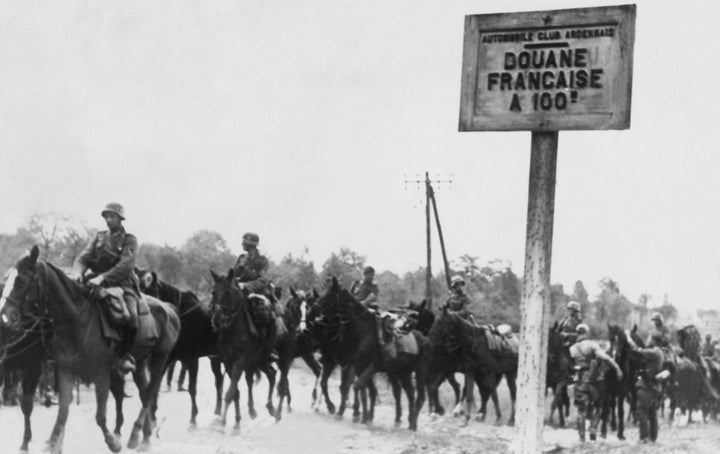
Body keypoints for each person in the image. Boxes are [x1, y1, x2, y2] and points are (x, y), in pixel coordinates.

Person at [73, 203, 139, 374]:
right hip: (95, 283)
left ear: (120, 218)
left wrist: (103, 277)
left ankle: (125, 356)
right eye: (106, 216)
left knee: (131, 318)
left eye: (112, 216)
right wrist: (78, 273)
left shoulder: (129, 240)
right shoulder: (100, 237)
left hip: (122, 285)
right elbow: (82, 259)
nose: (108, 220)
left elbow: (126, 265)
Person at [569, 323, 623, 442]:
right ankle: (593, 429)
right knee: (598, 406)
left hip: (580, 381)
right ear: (587, 333)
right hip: (596, 381)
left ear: (577, 334)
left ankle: (582, 438)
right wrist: (617, 368)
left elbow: (570, 366)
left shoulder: (572, 349)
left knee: (581, 410)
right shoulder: (593, 345)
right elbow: (605, 358)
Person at [232, 232, 276, 360]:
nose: (242, 244)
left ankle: (268, 349)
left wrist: (245, 286)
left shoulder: (262, 260)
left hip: (257, 292)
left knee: (267, 316)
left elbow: (263, 280)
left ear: (250, 244)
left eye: (244, 242)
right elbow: (234, 274)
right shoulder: (241, 258)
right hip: (238, 290)